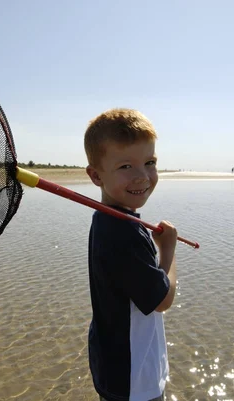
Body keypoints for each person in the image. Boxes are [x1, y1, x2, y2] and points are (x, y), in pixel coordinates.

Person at [84, 108, 178, 401]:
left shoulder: (108, 219)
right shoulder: (122, 233)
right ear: (96, 175)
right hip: (132, 379)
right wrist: (168, 250)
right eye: (126, 166)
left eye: (150, 162)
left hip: (112, 363)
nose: (143, 176)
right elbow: (162, 300)